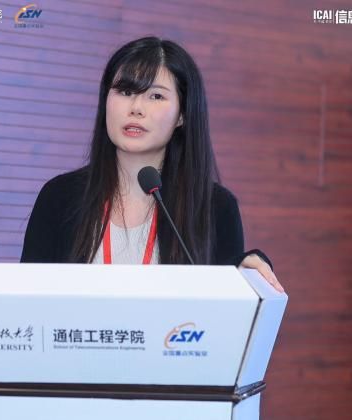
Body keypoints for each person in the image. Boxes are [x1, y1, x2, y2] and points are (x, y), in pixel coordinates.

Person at [20, 36, 283, 292]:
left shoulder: (214, 207)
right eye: (125, 92)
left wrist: (244, 276)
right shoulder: (60, 197)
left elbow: (224, 310)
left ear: (182, 115)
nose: (136, 108)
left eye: (156, 96)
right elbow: (28, 301)